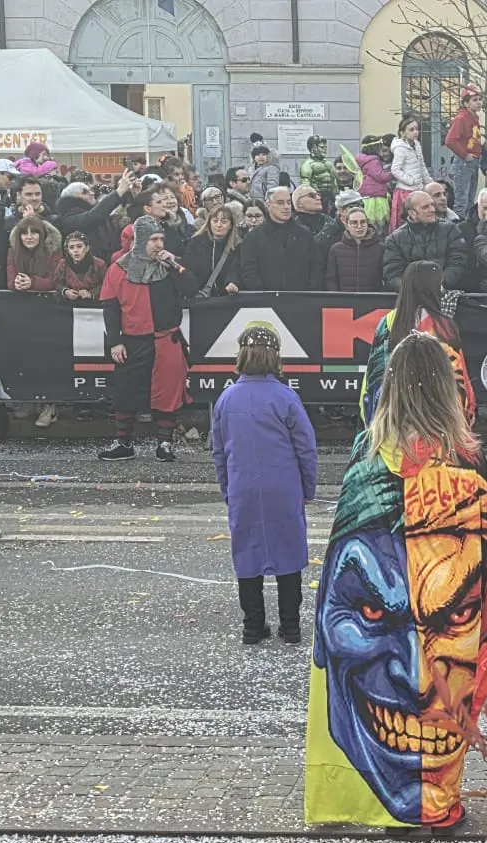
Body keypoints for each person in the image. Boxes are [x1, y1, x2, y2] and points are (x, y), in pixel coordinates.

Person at [305, 330, 487, 830]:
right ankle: (438, 801)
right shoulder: (467, 458)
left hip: (409, 613)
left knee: (409, 695)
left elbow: (342, 547)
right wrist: (478, 610)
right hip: (447, 622)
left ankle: (372, 803)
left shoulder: (367, 452)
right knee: (438, 700)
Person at [212, 324, 318, 645]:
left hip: (243, 487)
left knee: (247, 552)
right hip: (283, 487)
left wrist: (227, 489)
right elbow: (306, 448)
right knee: (288, 550)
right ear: (275, 357)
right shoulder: (286, 398)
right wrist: (307, 489)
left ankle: (253, 626)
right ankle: (291, 626)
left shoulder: (226, 399)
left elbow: (219, 451)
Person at [98, 216, 195, 462]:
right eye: (153, 240)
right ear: (140, 241)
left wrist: (175, 266)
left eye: (161, 238)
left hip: (167, 339)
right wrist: (114, 341)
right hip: (132, 340)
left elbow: (192, 289)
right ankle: (124, 443)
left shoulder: (170, 267)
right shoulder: (118, 269)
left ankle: (164, 444)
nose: (159, 244)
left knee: (168, 393)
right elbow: (110, 307)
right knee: (126, 392)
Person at [362, 260, 475, 426]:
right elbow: (457, 379)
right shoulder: (444, 327)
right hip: (436, 420)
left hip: (394, 416)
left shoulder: (387, 322)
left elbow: (374, 375)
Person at [381, 191, 468, 290]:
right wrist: (412, 289)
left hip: (444, 292)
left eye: (432, 205)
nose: (432, 209)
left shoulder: (450, 230)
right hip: (410, 295)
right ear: (412, 213)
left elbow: (458, 263)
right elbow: (392, 274)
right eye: (425, 207)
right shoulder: (395, 239)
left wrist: (440, 283)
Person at [186, 200, 246, 295]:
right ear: (209, 223)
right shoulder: (195, 243)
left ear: (231, 225)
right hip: (202, 299)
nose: (219, 225)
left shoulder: (238, 246)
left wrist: (233, 283)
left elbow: (236, 270)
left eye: (224, 221)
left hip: (226, 298)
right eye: (215, 221)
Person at [326, 207, 386, 292]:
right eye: (354, 223)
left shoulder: (381, 249)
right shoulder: (335, 250)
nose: (359, 226)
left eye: (363, 222)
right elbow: (331, 280)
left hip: (373, 301)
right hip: (344, 301)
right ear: (347, 226)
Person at [6, 215, 62, 294]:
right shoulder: (13, 252)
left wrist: (32, 283)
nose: (29, 237)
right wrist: (16, 283)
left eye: (34, 233)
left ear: (42, 234)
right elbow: (10, 282)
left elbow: (56, 282)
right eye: (24, 233)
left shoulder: (54, 251)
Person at [300, 135, 340, 203]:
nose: (325, 149)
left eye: (326, 147)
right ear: (314, 148)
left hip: (330, 199)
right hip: (316, 198)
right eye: (322, 147)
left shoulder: (329, 164)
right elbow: (305, 184)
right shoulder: (308, 164)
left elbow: (335, 183)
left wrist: (337, 197)